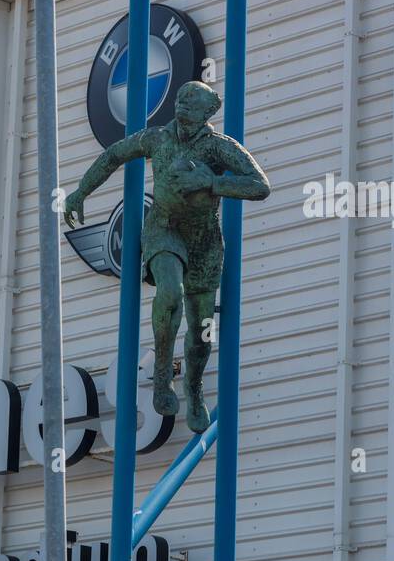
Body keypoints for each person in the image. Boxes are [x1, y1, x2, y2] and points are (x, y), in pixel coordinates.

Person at [63, 80, 270, 432]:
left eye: (193, 101)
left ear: (209, 111)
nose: (184, 104)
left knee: (203, 328)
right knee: (170, 293)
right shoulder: (158, 138)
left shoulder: (219, 148)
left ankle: (194, 385)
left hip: (204, 239)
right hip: (164, 228)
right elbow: (115, 153)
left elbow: (260, 185)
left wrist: (213, 183)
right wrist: (81, 191)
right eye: (181, 98)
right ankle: (162, 374)